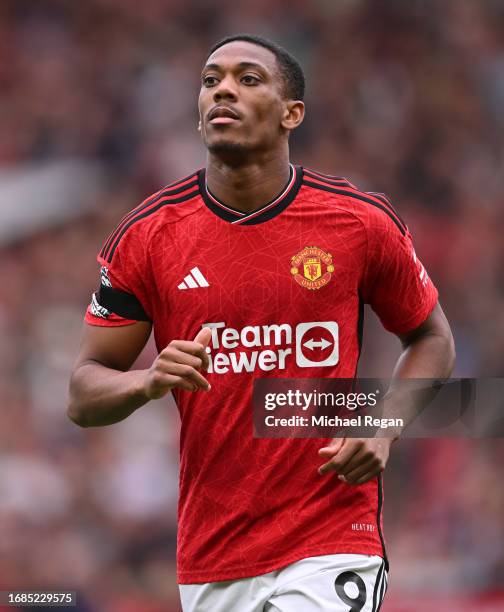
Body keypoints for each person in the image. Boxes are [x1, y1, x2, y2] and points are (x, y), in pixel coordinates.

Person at [68, 34, 455, 611]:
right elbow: (83, 392)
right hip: (212, 553)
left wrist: (382, 425)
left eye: (248, 79)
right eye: (209, 80)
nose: (222, 89)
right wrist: (146, 381)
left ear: (291, 114)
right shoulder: (147, 237)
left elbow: (432, 339)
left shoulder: (358, 222)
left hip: (331, 536)